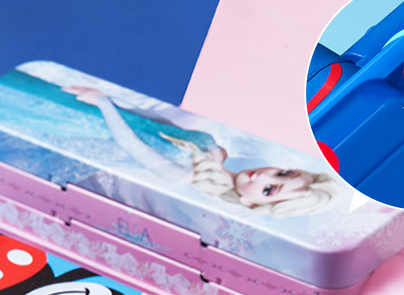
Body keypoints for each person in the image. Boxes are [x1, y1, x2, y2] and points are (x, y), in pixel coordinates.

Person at [62, 83, 336, 219]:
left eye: (269, 190)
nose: (263, 176)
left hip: (91, 120)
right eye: (282, 173)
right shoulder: (219, 153)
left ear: (250, 204)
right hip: (105, 104)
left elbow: (129, 143)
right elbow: (157, 122)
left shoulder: (182, 175)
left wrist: (104, 103)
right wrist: (113, 98)